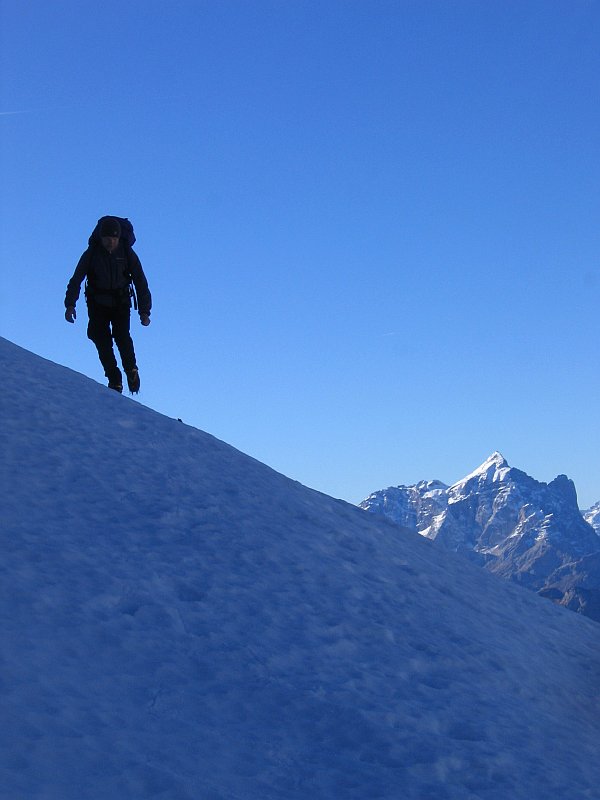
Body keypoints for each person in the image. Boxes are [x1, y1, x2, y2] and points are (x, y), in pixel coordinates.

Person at [64, 216, 152, 394]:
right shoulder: (92, 253)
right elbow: (77, 278)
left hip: (121, 302)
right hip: (97, 303)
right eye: (107, 238)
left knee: (121, 336)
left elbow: (141, 281)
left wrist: (145, 311)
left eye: (114, 238)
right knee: (100, 338)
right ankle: (114, 378)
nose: (110, 242)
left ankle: (131, 370)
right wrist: (70, 304)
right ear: (101, 237)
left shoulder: (127, 253)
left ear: (119, 238)